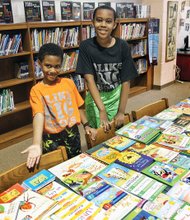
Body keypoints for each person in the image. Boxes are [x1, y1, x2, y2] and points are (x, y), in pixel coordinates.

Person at [22, 43, 97, 168]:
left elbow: (78, 107)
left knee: (75, 163)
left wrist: (87, 126)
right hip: (51, 137)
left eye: (57, 66)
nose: (52, 71)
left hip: (72, 133)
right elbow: (38, 114)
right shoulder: (36, 90)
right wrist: (36, 143)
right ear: (39, 63)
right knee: (55, 166)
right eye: (48, 66)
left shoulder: (68, 83)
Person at [76, 5, 138, 131]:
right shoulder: (86, 46)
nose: (103, 24)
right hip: (95, 98)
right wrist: (101, 109)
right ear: (93, 22)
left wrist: (121, 111)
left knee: (117, 133)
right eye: (99, 20)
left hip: (116, 96)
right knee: (97, 135)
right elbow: (89, 79)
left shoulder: (122, 46)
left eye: (108, 21)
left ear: (115, 24)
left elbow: (126, 81)